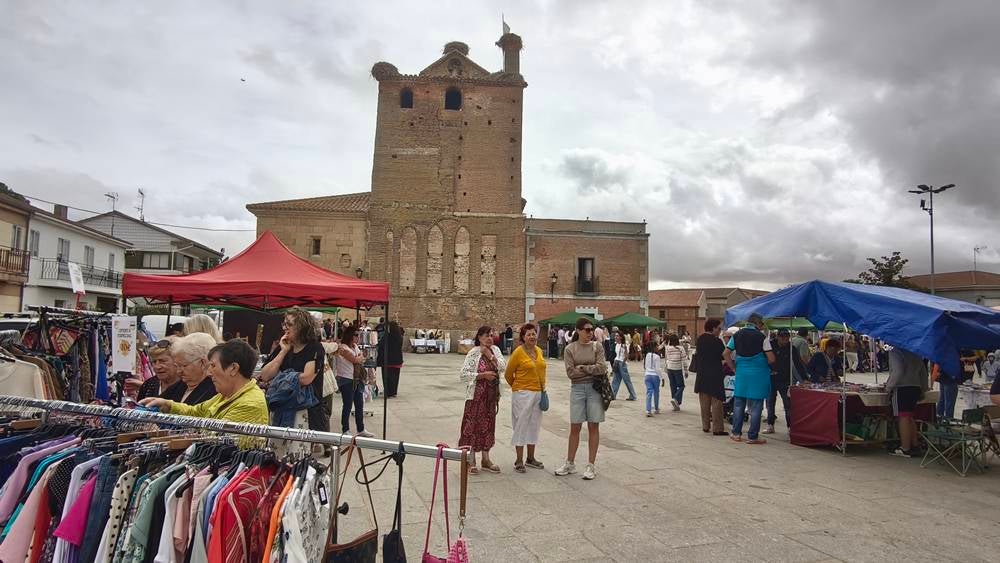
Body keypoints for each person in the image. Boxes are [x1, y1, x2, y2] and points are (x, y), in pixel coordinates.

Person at [139, 339, 268, 427]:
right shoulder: (226, 395)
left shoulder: (249, 404)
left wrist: (158, 433)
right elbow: (196, 412)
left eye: (213, 365)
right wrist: (167, 405)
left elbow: (214, 440)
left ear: (233, 368)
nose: (209, 372)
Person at [259, 308, 329, 440]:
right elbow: (265, 375)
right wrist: (283, 351)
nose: (285, 328)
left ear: (302, 327)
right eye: (284, 324)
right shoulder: (283, 347)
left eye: (289, 324)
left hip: (307, 413)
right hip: (282, 408)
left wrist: (281, 378)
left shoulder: (314, 347)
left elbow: (306, 378)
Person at [555, 317, 608, 480]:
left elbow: (602, 368)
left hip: (594, 389)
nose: (590, 333)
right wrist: (592, 369)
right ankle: (570, 462)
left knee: (593, 425)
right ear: (578, 331)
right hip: (577, 389)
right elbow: (570, 373)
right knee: (575, 426)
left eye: (592, 330)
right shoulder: (570, 349)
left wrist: (583, 367)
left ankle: (591, 465)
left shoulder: (597, 346)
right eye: (587, 330)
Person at [459, 326, 506, 474]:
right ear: (479, 337)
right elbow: (463, 375)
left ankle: (486, 459)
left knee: (488, 427)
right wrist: (482, 375)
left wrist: (490, 355)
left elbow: (502, 367)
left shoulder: (496, 350)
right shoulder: (473, 353)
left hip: (490, 397)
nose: (489, 338)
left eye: (491, 335)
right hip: (475, 397)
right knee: (472, 427)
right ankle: (470, 459)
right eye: (486, 335)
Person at [724, 313, 775, 444]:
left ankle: (736, 434)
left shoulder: (737, 335)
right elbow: (771, 358)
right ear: (757, 323)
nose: (762, 326)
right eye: (761, 324)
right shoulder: (762, 337)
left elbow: (726, 353)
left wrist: (734, 368)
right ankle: (753, 437)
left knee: (739, 404)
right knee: (756, 406)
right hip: (759, 375)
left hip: (742, 373)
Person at [504, 323, 546, 473]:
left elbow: (542, 370)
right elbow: (508, 374)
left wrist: (543, 388)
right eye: (529, 334)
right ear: (523, 337)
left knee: (534, 425)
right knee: (521, 425)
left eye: (534, 334)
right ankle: (519, 459)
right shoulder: (518, 352)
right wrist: (517, 387)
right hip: (522, 394)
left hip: (538, 392)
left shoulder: (539, 351)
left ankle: (531, 457)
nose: (532, 336)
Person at [886, 346, 929, 457]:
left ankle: (905, 447)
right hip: (915, 386)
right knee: (910, 416)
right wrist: (924, 388)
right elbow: (923, 372)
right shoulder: (915, 350)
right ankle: (914, 444)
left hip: (902, 387)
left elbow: (898, 370)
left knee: (903, 417)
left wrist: (888, 387)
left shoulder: (895, 350)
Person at [333, 326, 373, 437]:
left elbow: (361, 357)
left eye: (359, 335)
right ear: (350, 335)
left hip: (357, 379)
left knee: (359, 405)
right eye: (356, 335)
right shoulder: (343, 348)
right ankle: (345, 429)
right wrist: (358, 358)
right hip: (346, 379)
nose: (358, 337)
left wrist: (358, 358)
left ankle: (361, 429)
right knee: (347, 405)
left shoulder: (355, 346)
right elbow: (355, 359)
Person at [763, 329, 804, 434]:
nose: (784, 339)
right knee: (770, 403)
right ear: (778, 337)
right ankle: (770, 424)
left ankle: (790, 426)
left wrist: (804, 378)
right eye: (782, 337)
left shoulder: (791, 348)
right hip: (770, 378)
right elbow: (764, 359)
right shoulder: (770, 345)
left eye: (787, 337)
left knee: (788, 404)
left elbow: (798, 363)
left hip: (785, 380)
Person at [695, 319, 727, 435]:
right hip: (715, 374)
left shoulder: (700, 339)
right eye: (719, 328)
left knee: (704, 402)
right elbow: (723, 355)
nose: (720, 331)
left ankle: (705, 425)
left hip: (702, 374)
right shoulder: (717, 341)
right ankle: (717, 428)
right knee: (716, 401)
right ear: (713, 328)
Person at [168, 332, 219, 405]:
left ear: (203, 362)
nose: (178, 371)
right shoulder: (178, 386)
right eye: (177, 366)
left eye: (184, 365)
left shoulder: (216, 390)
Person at [135, 336, 181, 401]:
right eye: (154, 362)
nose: (157, 366)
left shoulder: (187, 386)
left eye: (162, 361)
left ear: (177, 361)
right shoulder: (148, 385)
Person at [378, 321, 404, 398]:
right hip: (397, 360)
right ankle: (394, 391)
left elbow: (381, 346)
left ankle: (388, 392)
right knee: (395, 377)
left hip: (388, 360)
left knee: (387, 377)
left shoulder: (387, 337)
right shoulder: (399, 337)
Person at [663, 334, 689, 412]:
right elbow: (684, 359)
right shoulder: (680, 348)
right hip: (677, 368)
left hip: (669, 368)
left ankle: (676, 404)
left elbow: (666, 358)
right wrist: (686, 370)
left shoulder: (668, 348)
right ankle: (676, 399)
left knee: (673, 386)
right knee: (681, 386)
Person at [611, 331, 637, 401]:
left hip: (621, 363)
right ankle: (613, 394)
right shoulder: (616, 344)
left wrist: (623, 362)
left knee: (627, 380)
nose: (615, 337)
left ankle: (633, 395)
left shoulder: (624, 345)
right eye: (615, 336)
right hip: (617, 362)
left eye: (617, 336)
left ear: (621, 337)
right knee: (615, 380)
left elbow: (626, 355)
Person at [642, 341, 663, 417]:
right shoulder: (657, 357)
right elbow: (657, 369)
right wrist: (661, 377)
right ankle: (656, 408)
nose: (658, 348)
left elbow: (645, 366)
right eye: (657, 346)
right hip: (655, 376)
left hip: (647, 375)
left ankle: (648, 410)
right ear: (654, 348)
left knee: (649, 392)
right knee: (656, 392)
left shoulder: (647, 355)